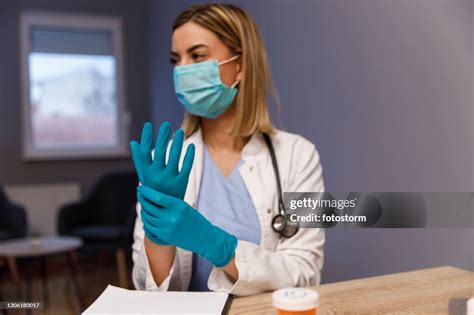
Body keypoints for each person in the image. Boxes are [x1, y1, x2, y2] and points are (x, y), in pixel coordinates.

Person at [130, 3, 325, 296]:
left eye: (197, 56)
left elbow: (305, 273)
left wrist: (218, 245)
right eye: (176, 60)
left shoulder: (298, 156)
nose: (182, 71)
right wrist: (158, 235)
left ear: (241, 65)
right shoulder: (167, 162)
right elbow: (146, 286)